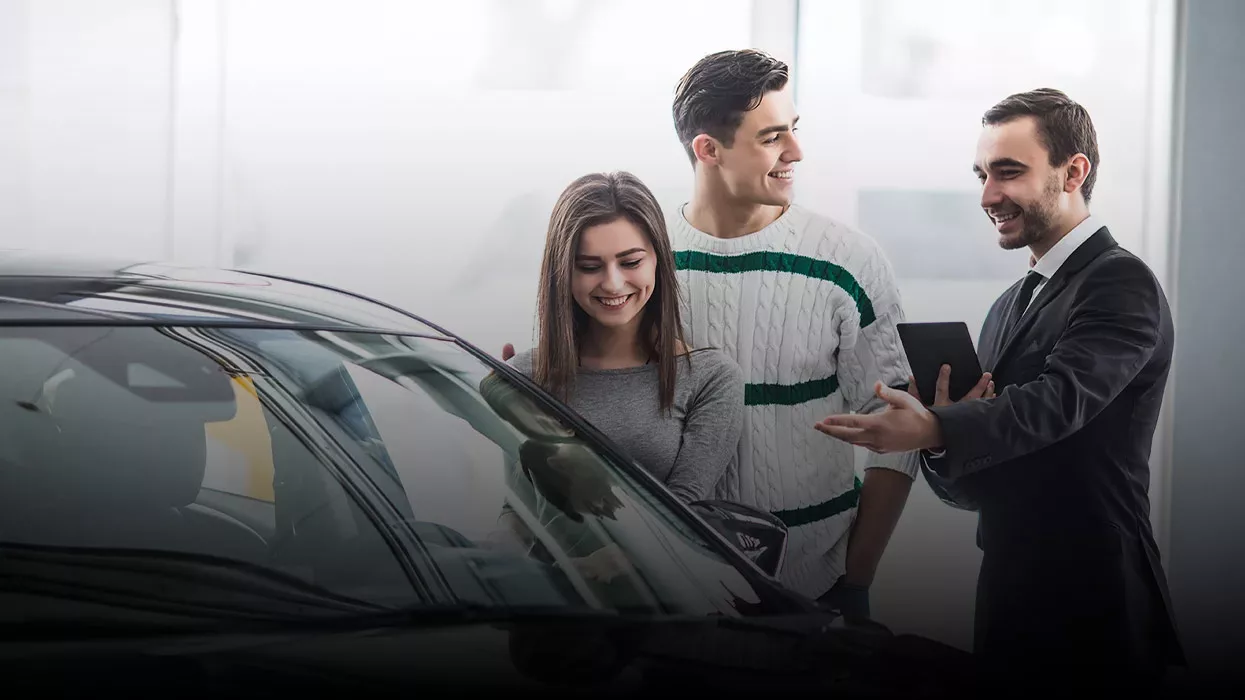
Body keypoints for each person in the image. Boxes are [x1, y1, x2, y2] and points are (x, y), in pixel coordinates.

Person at [814, 88, 1185, 691]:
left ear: (1074, 172)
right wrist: (939, 431)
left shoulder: (1120, 282)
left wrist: (935, 428)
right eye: (983, 175)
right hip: (1012, 591)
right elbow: (982, 476)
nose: (988, 195)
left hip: (1096, 603)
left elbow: (1057, 402)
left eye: (1008, 173)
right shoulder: (1009, 305)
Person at [662, 48, 919, 617]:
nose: (796, 152)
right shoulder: (641, 260)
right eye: (772, 137)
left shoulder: (848, 259)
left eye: (793, 129)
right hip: (672, 588)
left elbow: (897, 427)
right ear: (708, 149)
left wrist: (857, 575)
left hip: (821, 588)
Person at [503, 170, 745, 507]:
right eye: (589, 267)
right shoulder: (524, 376)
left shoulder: (710, 378)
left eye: (630, 262)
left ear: (658, 260)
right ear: (562, 273)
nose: (613, 284)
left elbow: (685, 519)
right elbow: (517, 513)